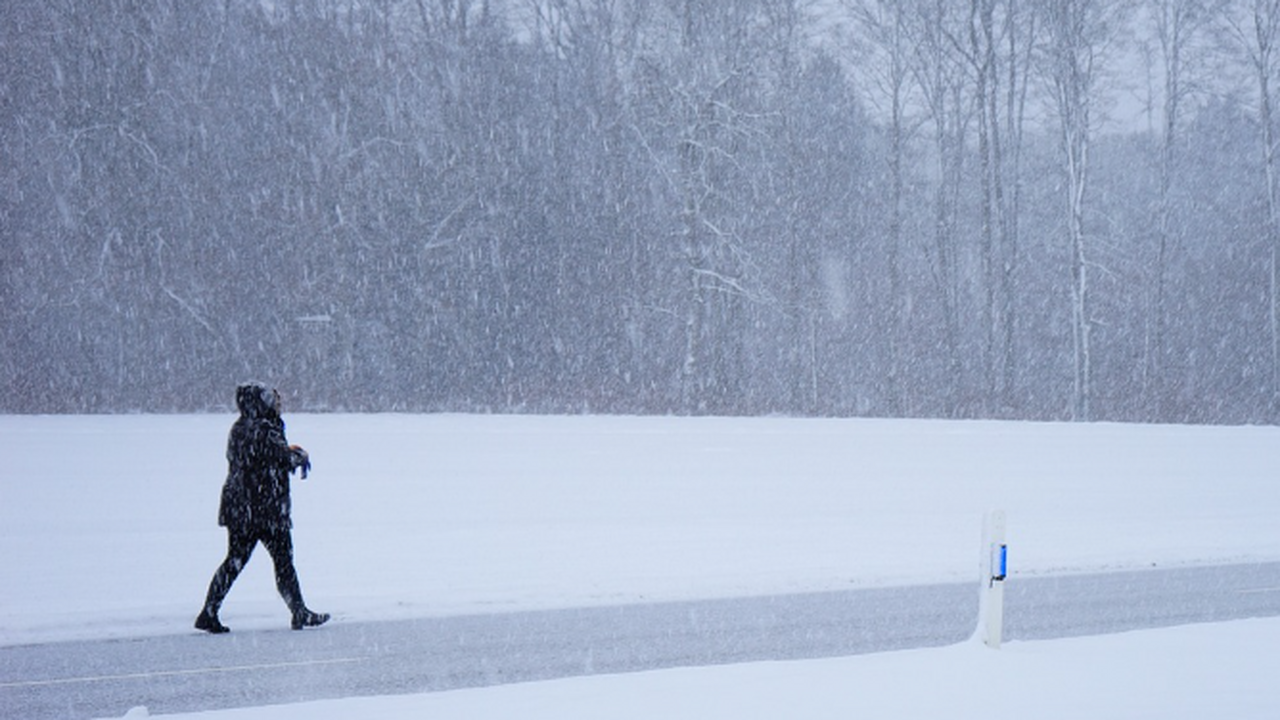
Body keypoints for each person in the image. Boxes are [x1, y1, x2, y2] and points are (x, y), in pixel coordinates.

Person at [195, 382, 329, 633]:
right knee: (282, 561)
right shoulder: (264, 429)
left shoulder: (240, 427)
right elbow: (281, 459)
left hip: (241, 506)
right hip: (263, 508)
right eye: (270, 399)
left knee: (235, 561)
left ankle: (210, 611)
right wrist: (299, 455)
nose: (275, 403)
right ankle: (298, 611)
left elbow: (259, 459)